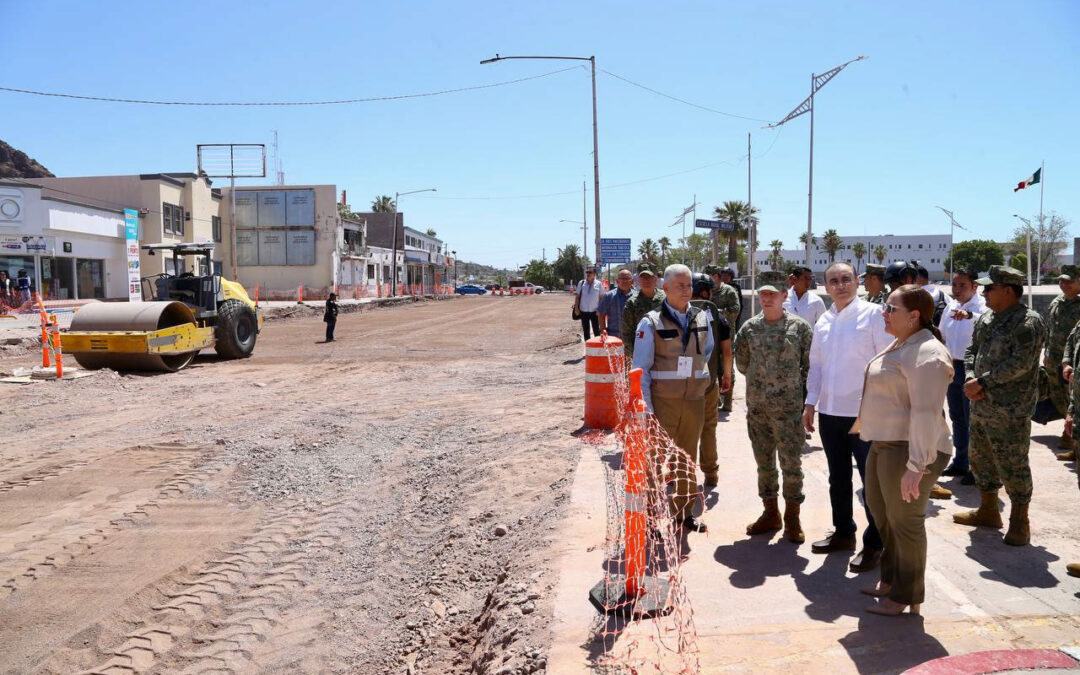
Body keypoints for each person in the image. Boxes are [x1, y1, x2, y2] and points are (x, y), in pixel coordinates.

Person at [855, 285, 954, 616]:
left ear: (914, 316)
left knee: (905, 522)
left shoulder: (928, 352)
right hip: (884, 442)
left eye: (890, 308)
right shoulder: (902, 343)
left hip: (911, 447)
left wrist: (917, 465)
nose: (884, 312)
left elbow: (927, 413)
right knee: (882, 516)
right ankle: (890, 580)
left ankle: (906, 594)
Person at [803, 261, 890, 572]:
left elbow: (885, 362)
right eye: (834, 281)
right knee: (838, 478)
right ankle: (843, 533)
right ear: (825, 287)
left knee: (872, 483)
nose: (840, 285)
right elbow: (816, 367)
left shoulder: (873, 316)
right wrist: (811, 403)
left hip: (864, 414)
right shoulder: (824, 321)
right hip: (829, 413)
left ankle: (875, 543)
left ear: (858, 282)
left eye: (846, 279)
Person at [954, 265, 1045, 547]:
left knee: (1013, 463)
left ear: (1008, 291)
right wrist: (970, 377)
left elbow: (1021, 364)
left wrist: (982, 382)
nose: (984, 292)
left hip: (1010, 409)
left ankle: (1020, 520)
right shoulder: (988, 318)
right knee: (980, 458)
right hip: (981, 404)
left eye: (989, 288)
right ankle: (989, 510)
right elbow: (972, 350)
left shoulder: (1028, 322)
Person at [632, 264, 714, 533]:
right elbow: (640, 368)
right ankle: (653, 519)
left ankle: (684, 514)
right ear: (665, 288)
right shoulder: (650, 322)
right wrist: (645, 408)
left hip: (693, 401)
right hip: (662, 404)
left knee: (687, 460)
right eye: (680, 285)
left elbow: (707, 352)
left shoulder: (702, 317)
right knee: (655, 462)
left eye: (689, 285)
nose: (686, 290)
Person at [734, 272, 814, 543]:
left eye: (773, 294)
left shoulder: (800, 328)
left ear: (784, 296)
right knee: (764, 464)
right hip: (758, 410)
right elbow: (742, 364)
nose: (767, 299)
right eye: (763, 294)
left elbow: (809, 366)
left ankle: (792, 516)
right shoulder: (749, 328)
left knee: (792, 464)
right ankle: (771, 513)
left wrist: (800, 400)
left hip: (789, 411)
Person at [939, 269, 986, 484]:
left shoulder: (982, 308)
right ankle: (960, 462)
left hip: (971, 370)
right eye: (954, 285)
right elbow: (941, 335)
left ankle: (976, 468)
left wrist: (969, 316)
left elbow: (986, 323)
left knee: (972, 419)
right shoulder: (951, 306)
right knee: (957, 417)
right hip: (952, 367)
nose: (956, 290)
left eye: (962, 286)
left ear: (975, 286)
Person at [690, 273, 733, 487]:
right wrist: (726, 376)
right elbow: (727, 352)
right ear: (706, 291)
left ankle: (680, 474)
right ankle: (711, 474)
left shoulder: (673, 311)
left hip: (679, 386)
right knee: (708, 429)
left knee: (682, 430)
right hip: (708, 384)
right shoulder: (717, 316)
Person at [1044, 265, 1080, 456]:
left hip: (1073, 362)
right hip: (1053, 360)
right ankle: (1070, 434)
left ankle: (1075, 443)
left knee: (1074, 399)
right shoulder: (1057, 302)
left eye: (1069, 281)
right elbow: (1049, 329)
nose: (1063, 284)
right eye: (1061, 280)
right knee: (1059, 398)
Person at [704, 265, 741, 412]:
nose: (709, 277)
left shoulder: (729, 291)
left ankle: (728, 402)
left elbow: (735, 310)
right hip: (708, 335)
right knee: (711, 365)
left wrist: (716, 312)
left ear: (718, 276)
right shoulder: (705, 290)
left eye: (712, 275)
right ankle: (715, 398)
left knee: (726, 367)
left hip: (725, 334)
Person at [621, 262, 665, 361]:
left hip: (664, 352)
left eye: (649, 277)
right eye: (643, 277)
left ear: (655, 278)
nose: (646, 280)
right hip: (641, 352)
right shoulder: (632, 303)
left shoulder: (666, 299)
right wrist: (633, 355)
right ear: (638, 280)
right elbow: (626, 332)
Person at [597, 268, 634, 340]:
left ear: (632, 281)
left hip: (633, 338)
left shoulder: (637, 296)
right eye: (622, 278)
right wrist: (603, 330)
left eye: (627, 278)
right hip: (614, 337)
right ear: (617, 281)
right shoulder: (609, 296)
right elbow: (601, 314)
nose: (625, 281)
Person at [574, 268, 603, 340]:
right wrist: (576, 308)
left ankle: (597, 347)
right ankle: (588, 348)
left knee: (596, 331)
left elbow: (601, 298)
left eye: (590, 272)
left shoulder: (599, 284)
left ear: (594, 274)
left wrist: (599, 309)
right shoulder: (581, 283)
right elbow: (577, 297)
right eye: (587, 272)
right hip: (584, 311)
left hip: (595, 312)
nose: (588, 274)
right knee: (586, 331)